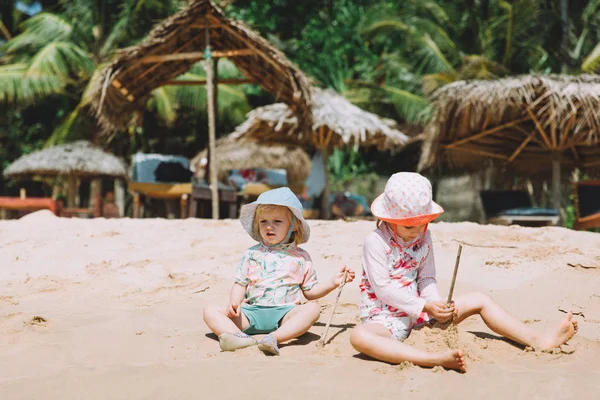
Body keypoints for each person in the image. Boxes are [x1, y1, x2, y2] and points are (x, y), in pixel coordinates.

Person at [349, 172, 578, 372]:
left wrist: (436, 304)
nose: (417, 230)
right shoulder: (375, 242)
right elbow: (383, 289)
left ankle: (538, 339)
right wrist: (423, 306)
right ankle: (430, 358)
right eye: (409, 225)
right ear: (389, 219)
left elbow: (426, 277)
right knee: (359, 336)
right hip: (385, 320)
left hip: (422, 315)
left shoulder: (423, 236)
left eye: (423, 223)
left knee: (479, 299)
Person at [203, 187, 355, 355]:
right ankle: (237, 337)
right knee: (210, 310)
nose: (269, 227)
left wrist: (333, 282)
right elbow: (240, 283)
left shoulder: (301, 257)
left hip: (286, 314)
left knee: (312, 309)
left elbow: (310, 291)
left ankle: (275, 337)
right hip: (252, 312)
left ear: (294, 226)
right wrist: (235, 303)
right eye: (263, 222)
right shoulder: (252, 253)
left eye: (277, 221)